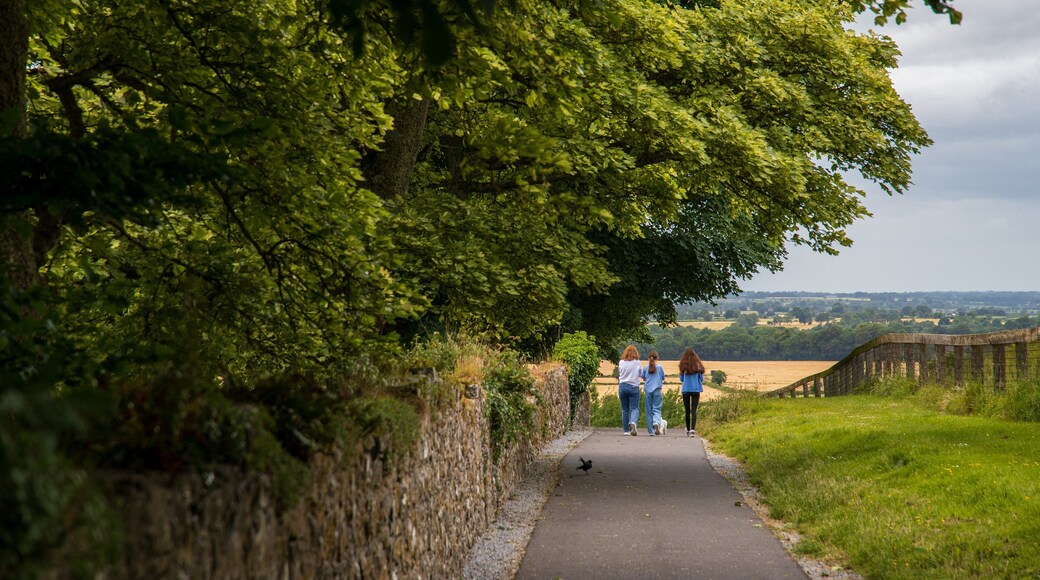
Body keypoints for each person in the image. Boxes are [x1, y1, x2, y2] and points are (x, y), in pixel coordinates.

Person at [678, 347, 706, 437]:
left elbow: (681, 379)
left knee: (687, 410)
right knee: (694, 410)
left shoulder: (683, 366)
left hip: (686, 390)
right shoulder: (698, 366)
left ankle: (687, 429)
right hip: (696, 390)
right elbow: (701, 379)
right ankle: (693, 430)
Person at [617, 345, 642, 436]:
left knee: (625, 409)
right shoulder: (637, 363)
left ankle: (626, 430)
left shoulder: (621, 362)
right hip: (634, 386)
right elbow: (640, 373)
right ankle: (633, 422)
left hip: (623, 386)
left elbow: (620, 373)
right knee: (635, 408)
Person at [641, 351, 665, 436]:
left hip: (648, 390)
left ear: (648, 358)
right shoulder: (660, 367)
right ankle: (656, 422)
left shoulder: (645, 367)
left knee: (649, 411)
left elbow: (643, 377)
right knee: (657, 409)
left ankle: (651, 431)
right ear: (657, 358)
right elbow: (663, 377)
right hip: (657, 390)